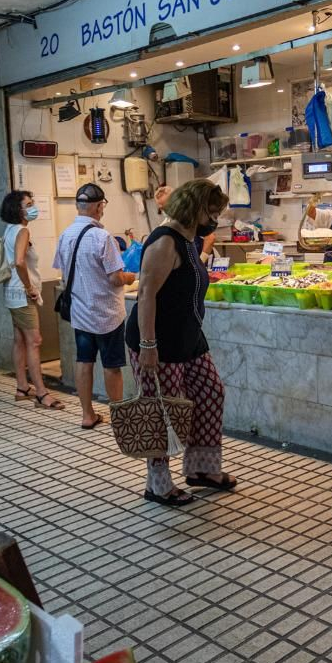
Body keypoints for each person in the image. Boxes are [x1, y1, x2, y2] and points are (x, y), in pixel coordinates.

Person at [127, 178, 235, 505]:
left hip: (189, 337)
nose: (214, 218)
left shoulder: (189, 239)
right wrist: (148, 346)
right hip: (159, 341)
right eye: (211, 212)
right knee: (164, 411)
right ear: (195, 209)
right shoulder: (165, 242)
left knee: (210, 392)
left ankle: (202, 469)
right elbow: (145, 295)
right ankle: (157, 483)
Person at [53, 183, 135, 430]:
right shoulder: (102, 237)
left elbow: (63, 274)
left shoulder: (65, 235)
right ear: (99, 207)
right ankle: (119, 418)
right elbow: (114, 278)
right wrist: (130, 277)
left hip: (80, 312)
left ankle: (87, 415)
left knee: (84, 361)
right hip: (107, 314)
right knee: (112, 366)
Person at [0, 190, 62, 409]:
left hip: (10, 292)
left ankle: (22, 387)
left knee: (20, 340)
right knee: (34, 342)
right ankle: (42, 394)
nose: (33, 207)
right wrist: (30, 288)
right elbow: (19, 262)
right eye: (29, 204)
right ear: (18, 209)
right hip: (22, 293)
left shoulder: (9, 230)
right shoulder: (22, 231)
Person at [155, 183, 215, 260]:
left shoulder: (193, 216)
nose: (164, 211)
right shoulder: (164, 226)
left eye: (167, 206)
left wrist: (200, 261)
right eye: (161, 208)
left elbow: (210, 238)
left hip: (206, 264)